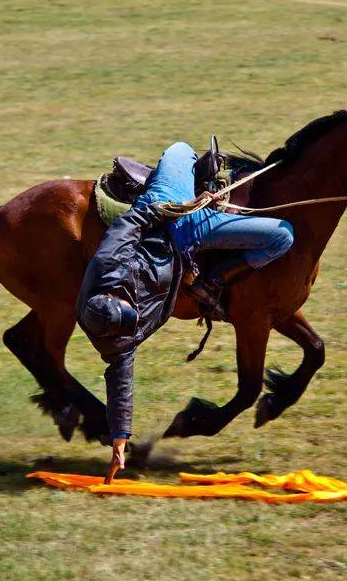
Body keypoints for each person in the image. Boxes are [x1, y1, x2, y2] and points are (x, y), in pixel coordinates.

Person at [77, 141, 293, 482]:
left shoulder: (108, 264)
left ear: (109, 295)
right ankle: (219, 278)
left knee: (181, 149)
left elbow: (130, 223)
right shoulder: (119, 343)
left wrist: (173, 208)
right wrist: (120, 442)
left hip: (165, 210)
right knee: (283, 236)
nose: (133, 303)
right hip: (186, 238)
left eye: (125, 301)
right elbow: (121, 386)